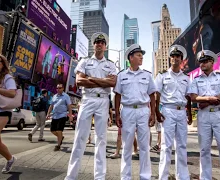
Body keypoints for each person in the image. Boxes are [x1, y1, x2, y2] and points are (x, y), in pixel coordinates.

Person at [65, 32, 117, 180]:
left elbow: (112, 83)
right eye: (97, 42)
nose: (99, 44)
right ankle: (71, 176)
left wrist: (91, 78)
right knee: (80, 137)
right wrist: (103, 81)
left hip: (103, 101)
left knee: (101, 139)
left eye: (102, 42)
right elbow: (80, 82)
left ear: (105, 47)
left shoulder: (110, 64)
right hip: (87, 99)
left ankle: (99, 177)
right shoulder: (84, 62)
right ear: (93, 45)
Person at [188, 50, 220, 180]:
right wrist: (210, 99)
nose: (202, 64)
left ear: (212, 62)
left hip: (219, 115)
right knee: (204, 150)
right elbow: (194, 97)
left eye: (205, 61)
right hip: (203, 116)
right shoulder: (196, 80)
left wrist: (206, 100)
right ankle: (205, 178)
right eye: (201, 62)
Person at [114, 44, 157, 180]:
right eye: (138, 55)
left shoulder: (147, 75)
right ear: (130, 57)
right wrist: (116, 113)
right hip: (127, 111)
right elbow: (117, 95)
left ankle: (145, 176)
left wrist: (153, 113)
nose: (141, 57)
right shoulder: (121, 75)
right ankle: (125, 177)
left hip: (143, 110)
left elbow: (152, 95)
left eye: (141, 55)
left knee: (144, 146)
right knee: (127, 146)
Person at [155, 45, 192, 180]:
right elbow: (156, 95)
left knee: (182, 145)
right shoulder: (162, 75)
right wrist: (157, 113)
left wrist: (189, 113)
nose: (175, 58)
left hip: (181, 112)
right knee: (166, 146)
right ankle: (163, 177)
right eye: (173, 56)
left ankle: (182, 176)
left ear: (181, 60)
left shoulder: (186, 78)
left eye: (178, 57)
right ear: (170, 58)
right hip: (168, 111)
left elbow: (188, 97)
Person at [46, 84, 72, 151]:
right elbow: (51, 106)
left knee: (59, 130)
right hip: (55, 116)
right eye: (57, 88)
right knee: (52, 130)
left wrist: (70, 115)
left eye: (60, 88)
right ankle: (61, 137)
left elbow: (69, 106)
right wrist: (48, 114)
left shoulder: (66, 96)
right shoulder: (54, 96)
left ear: (63, 88)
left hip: (62, 115)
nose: (58, 89)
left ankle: (58, 145)